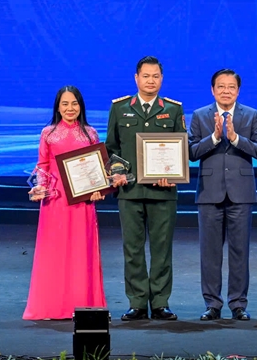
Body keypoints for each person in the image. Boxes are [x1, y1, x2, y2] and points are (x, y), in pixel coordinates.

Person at [23, 85, 127, 320]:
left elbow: (98, 168)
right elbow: (43, 165)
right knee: (54, 252)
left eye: (74, 103)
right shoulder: (48, 133)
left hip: (83, 202)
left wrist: (99, 188)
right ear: (58, 107)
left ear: (81, 106)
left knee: (82, 252)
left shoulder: (90, 133)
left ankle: (83, 304)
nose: (70, 108)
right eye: (65, 104)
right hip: (55, 201)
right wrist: (40, 187)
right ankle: (50, 306)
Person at [105, 56, 185, 321]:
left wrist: (172, 174)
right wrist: (117, 172)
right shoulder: (119, 108)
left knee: (162, 249)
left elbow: (180, 148)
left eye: (156, 76)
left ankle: (160, 302)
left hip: (163, 192)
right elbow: (112, 147)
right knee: (133, 249)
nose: (151, 81)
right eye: (146, 76)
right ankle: (137, 302)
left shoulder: (173, 109)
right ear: (136, 78)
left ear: (162, 79)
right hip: (130, 191)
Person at [189, 69, 257, 321]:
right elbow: (191, 152)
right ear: (213, 90)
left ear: (238, 90)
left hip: (241, 194)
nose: (226, 91)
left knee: (239, 252)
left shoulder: (251, 115)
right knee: (209, 253)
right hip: (209, 193)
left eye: (231, 87)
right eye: (221, 86)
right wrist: (214, 137)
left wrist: (234, 138)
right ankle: (212, 304)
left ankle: (238, 304)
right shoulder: (200, 115)